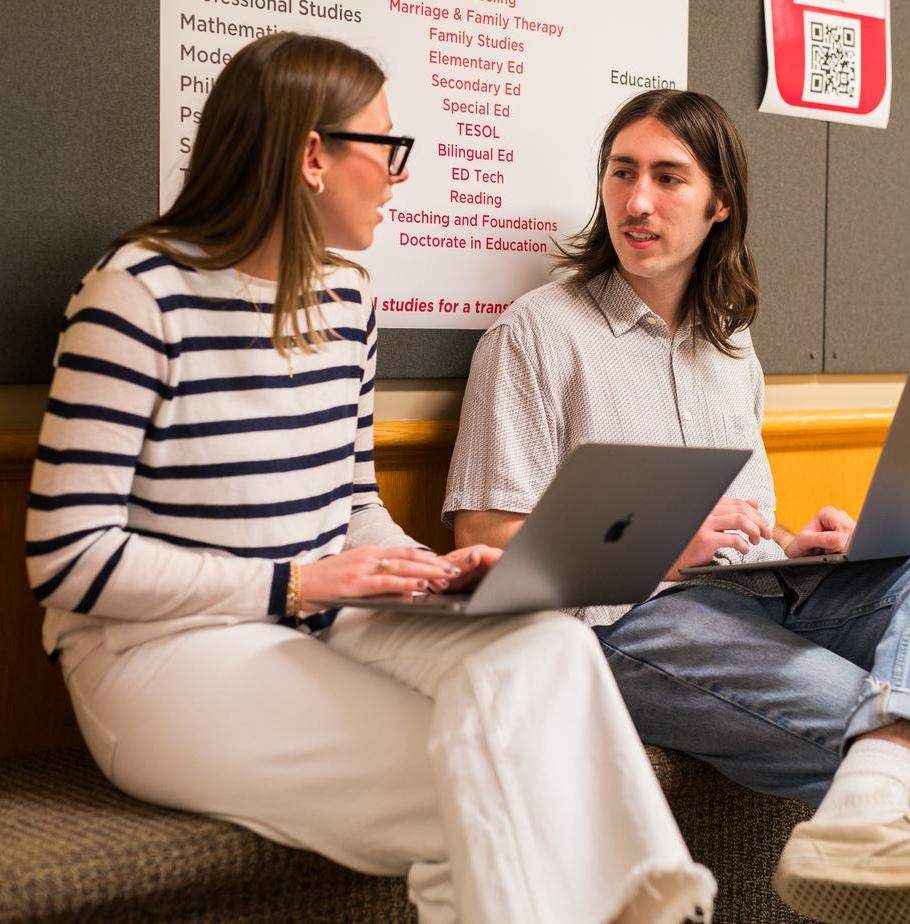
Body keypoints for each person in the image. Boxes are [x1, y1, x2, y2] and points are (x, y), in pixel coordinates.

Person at [25, 36, 717, 924]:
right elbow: (69, 561)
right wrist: (296, 581)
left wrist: (422, 567)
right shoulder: (136, 295)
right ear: (314, 155)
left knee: (554, 646)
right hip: (156, 652)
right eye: (385, 148)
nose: (398, 175)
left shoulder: (347, 297)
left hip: (321, 610)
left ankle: (648, 906)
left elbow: (351, 504)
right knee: (479, 772)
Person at [444, 88, 910, 923]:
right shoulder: (536, 333)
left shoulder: (730, 347)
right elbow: (486, 543)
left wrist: (797, 541)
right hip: (622, 623)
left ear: (719, 203)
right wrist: (664, 545)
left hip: (759, 598)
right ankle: (876, 785)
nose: (637, 201)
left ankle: (868, 797)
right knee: (895, 725)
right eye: (622, 173)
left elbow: (743, 523)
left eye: (669, 178)